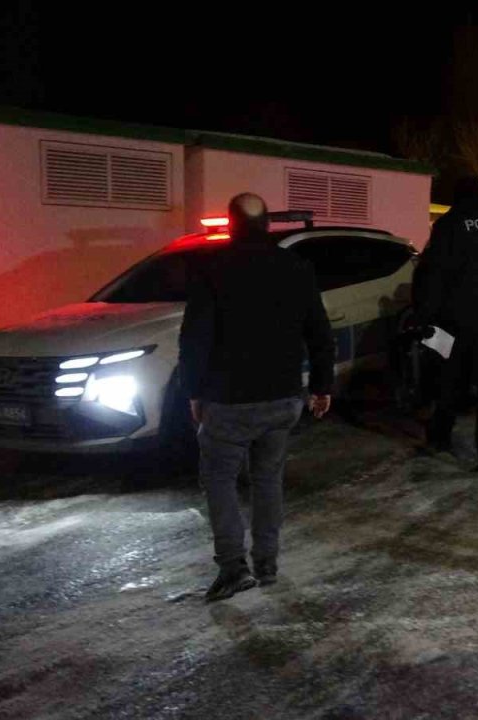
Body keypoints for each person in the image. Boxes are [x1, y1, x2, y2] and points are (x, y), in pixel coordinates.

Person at [179, 192, 335, 602]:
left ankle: (233, 568)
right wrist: (322, 386)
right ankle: (266, 563)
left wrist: (193, 391)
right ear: (268, 225)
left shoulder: (212, 270)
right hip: (282, 398)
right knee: (268, 479)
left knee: (219, 479)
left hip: (228, 401)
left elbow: (194, 338)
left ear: (231, 225)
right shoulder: (297, 268)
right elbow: (319, 333)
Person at [415, 176, 478, 473]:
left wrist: (426, 318)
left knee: (447, 382)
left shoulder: (449, 226)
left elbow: (432, 275)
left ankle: (439, 438)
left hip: (452, 325)